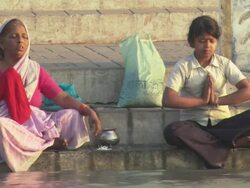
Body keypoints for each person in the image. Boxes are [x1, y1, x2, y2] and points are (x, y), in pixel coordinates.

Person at [0, 18, 102, 172]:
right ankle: (46, 142)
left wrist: (86, 110)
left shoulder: (34, 70)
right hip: (9, 125)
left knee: (72, 115)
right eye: (13, 36)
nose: (20, 41)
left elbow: (62, 97)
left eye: (24, 37)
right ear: (1, 43)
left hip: (35, 125)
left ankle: (39, 141)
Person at [162, 15, 250, 169]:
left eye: (211, 41)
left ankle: (218, 145)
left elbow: (247, 90)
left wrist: (217, 100)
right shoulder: (183, 66)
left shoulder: (224, 64)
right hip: (195, 126)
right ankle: (232, 142)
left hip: (223, 123)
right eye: (202, 41)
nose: (207, 46)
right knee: (173, 131)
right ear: (192, 42)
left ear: (216, 42)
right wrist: (202, 101)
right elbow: (168, 99)